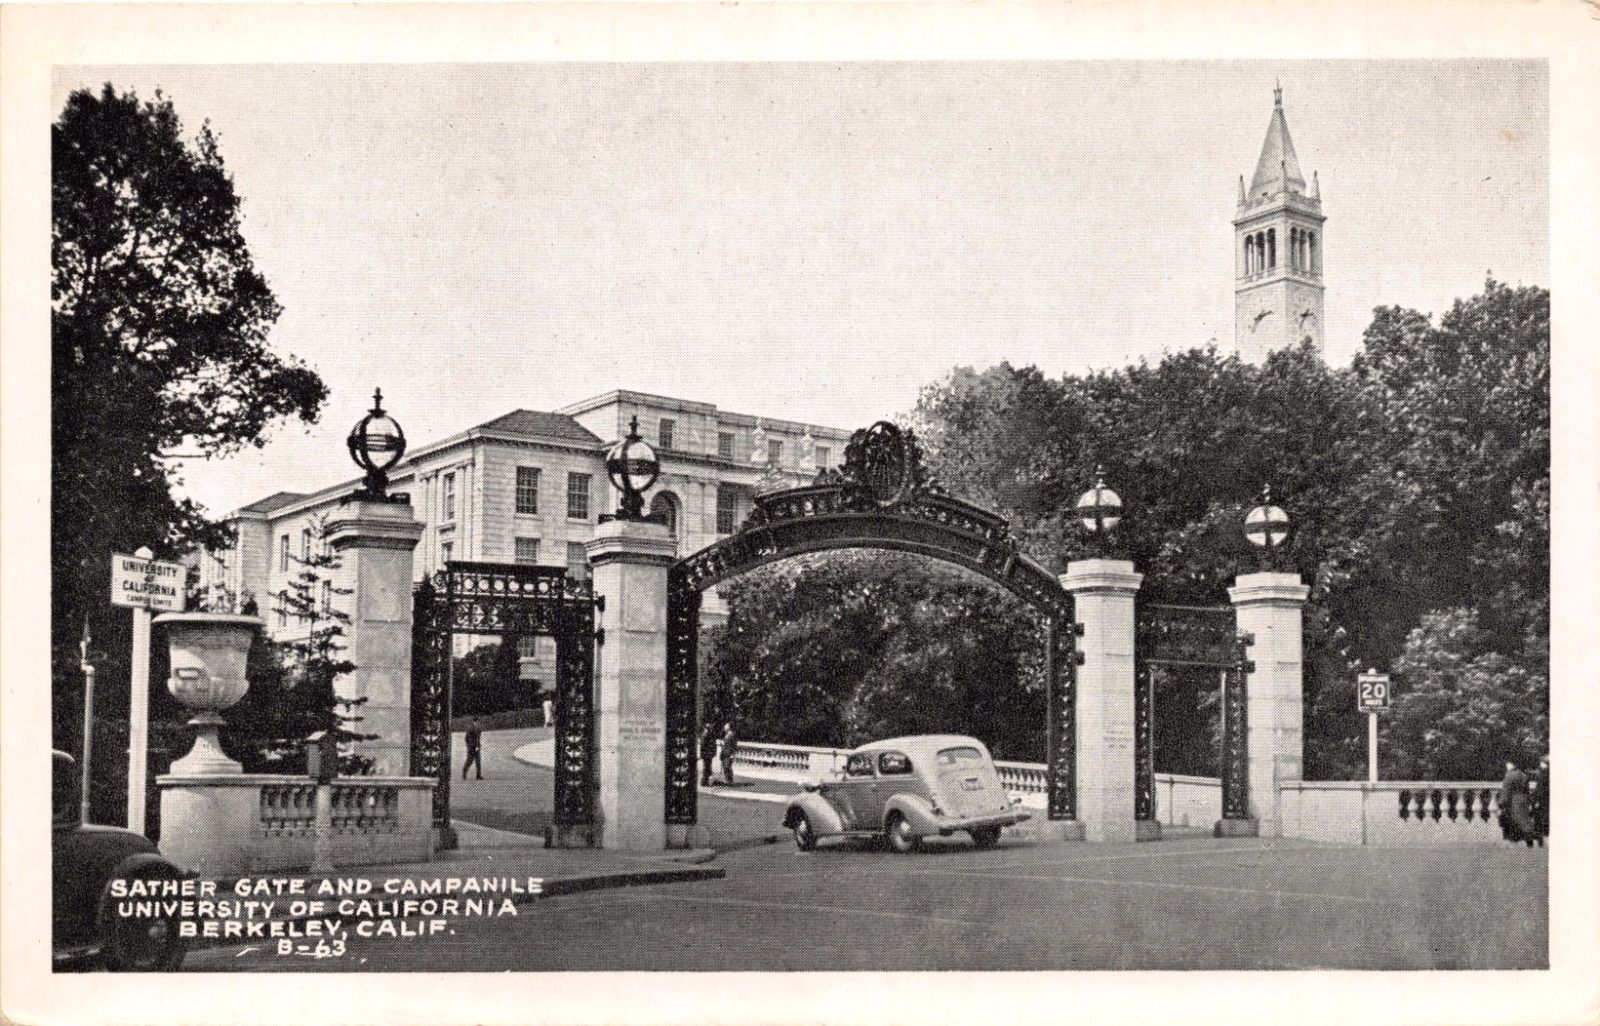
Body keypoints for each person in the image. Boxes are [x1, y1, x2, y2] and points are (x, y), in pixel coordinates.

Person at [1497, 760, 1533, 845]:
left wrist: (1501, 803)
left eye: (1507, 765)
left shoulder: (1509, 775)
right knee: (1524, 818)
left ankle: (1516, 838)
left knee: (1515, 819)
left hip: (1514, 800)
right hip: (1524, 799)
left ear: (1510, 765)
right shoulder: (1523, 774)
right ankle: (1529, 836)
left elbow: (1506, 790)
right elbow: (1527, 790)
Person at [1529, 754, 1549, 846]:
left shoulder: (1543, 773)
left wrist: (1536, 801)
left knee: (1538, 820)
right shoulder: (1547, 772)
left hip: (1541, 801)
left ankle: (1539, 839)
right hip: (1545, 801)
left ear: (1543, 763)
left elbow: (1540, 789)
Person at [719, 722, 738, 787]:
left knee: (727, 767)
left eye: (725, 726)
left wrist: (733, 754)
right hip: (726, 754)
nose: (724, 728)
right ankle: (728, 781)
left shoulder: (731, 735)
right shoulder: (727, 735)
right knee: (726, 767)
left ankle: (729, 781)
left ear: (728, 727)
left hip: (728, 754)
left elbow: (734, 745)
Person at [699, 722, 718, 787]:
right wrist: (704, 754)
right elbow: (704, 745)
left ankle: (705, 782)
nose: (712, 727)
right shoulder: (706, 733)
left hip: (707, 754)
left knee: (707, 768)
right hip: (707, 754)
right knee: (706, 768)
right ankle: (704, 782)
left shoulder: (708, 733)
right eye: (711, 726)